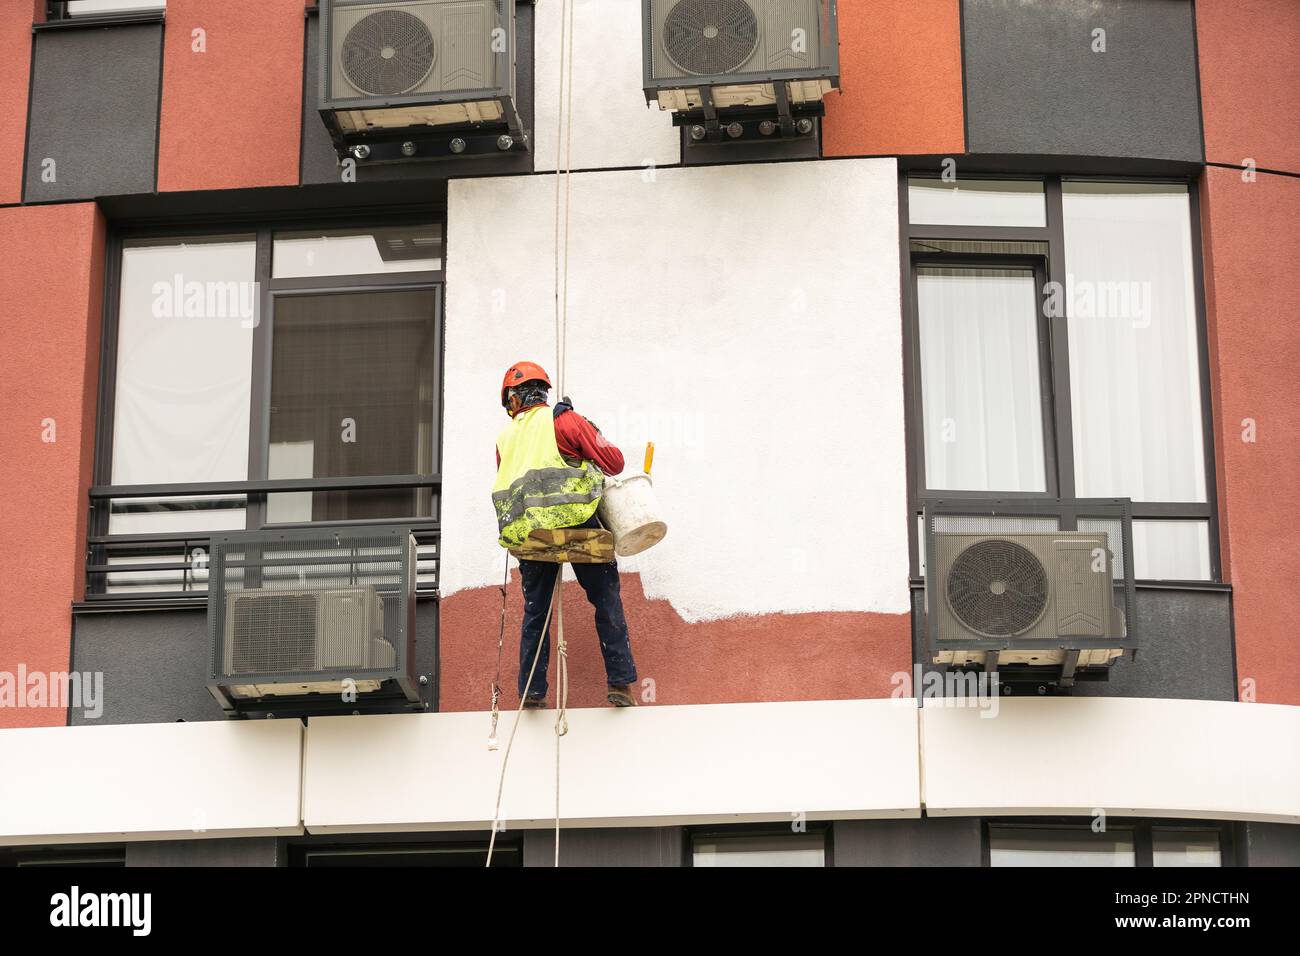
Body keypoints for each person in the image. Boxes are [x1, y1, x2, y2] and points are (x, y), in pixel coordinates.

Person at [491, 361, 639, 708]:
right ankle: (620, 683)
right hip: (577, 522)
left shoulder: (504, 439)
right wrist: (587, 429)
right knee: (605, 600)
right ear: (543, 390)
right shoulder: (564, 420)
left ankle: (532, 691)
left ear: (512, 399)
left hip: (531, 535)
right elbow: (614, 462)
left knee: (535, 612)